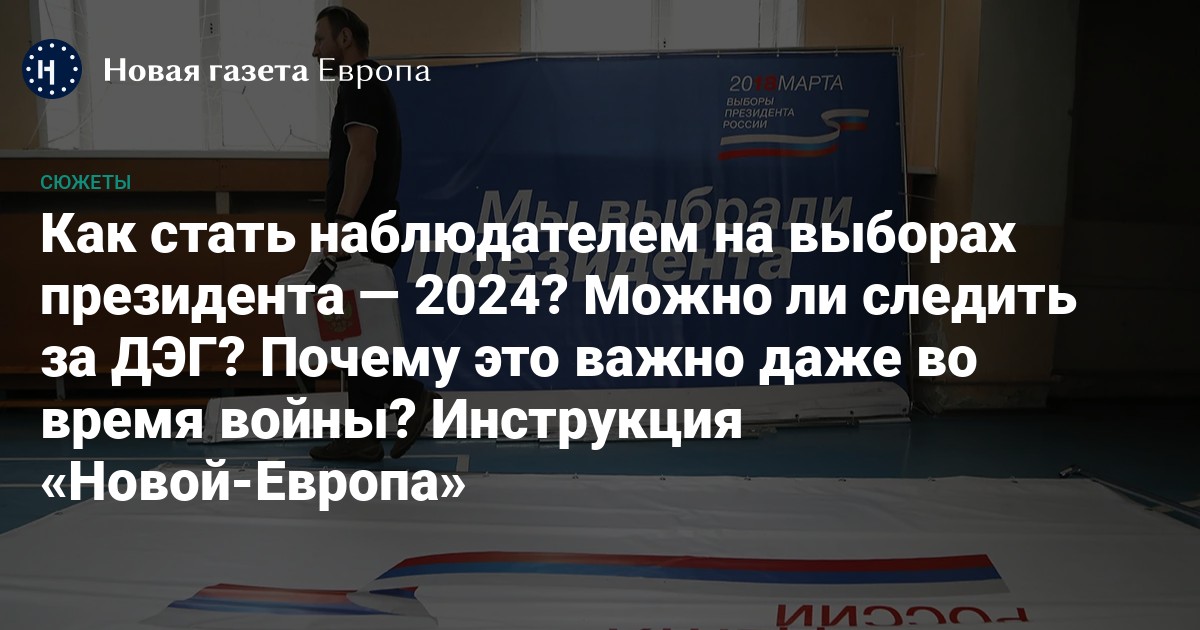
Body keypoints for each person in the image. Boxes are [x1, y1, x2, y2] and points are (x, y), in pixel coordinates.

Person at [308, 5, 435, 462]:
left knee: (357, 333)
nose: (315, 51)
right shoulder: (363, 84)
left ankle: (412, 396)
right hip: (370, 225)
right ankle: (363, 436)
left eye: (320, 40)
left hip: (364, 228)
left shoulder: (359, 81)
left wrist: (343, 224)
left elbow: (362, 155)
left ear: (345, 39)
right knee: (357, 334)